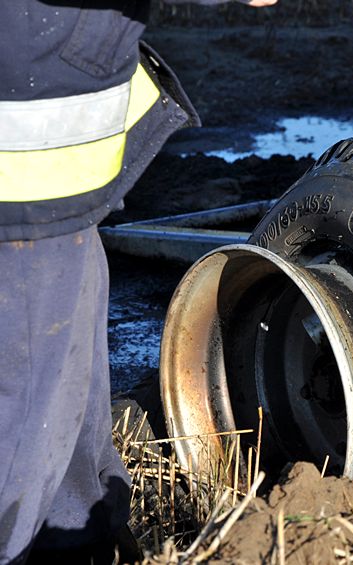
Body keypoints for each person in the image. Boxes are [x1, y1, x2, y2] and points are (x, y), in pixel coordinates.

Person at [0, 1, 275, 563]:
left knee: (64, 416)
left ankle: (75, 541)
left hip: (54, 193)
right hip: (26, 169)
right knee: (22, 432)